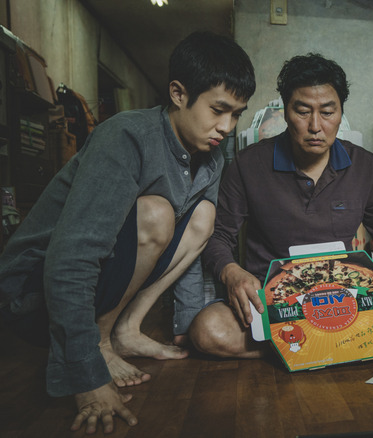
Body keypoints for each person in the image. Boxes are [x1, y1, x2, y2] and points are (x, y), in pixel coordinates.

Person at [0, 31, 255, 433]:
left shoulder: (212, 154)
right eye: (218, 109)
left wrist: (189, 327)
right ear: (177, 93)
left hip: (102, 284)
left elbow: (193, 247)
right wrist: (87, 375)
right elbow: (70, 260)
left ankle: (126, 331)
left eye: (237, 113)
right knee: (156, 213)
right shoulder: (126, 136)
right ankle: (101, 343)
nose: (227, 125)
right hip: (33, 293)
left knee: (204, 214)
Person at [189, 53, 373, 357]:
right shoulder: (248, 164)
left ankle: (300, 344)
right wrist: (231, 272)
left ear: (341, 113)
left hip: (345, 294)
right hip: (277, 300)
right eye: (303, 111)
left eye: (328, 112)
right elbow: (219, 237)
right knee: (208, 329)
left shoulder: (363, 164)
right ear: (286, 111)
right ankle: (352, 338)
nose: (316, 126)